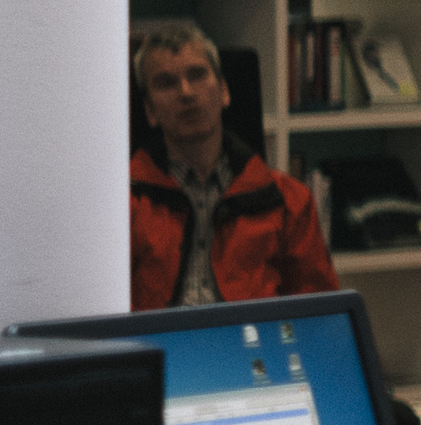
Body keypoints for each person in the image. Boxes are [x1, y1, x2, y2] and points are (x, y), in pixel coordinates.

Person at [131, 23, 338, 311]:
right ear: (150, 111)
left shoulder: (289, 201)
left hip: (254, 350)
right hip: (160, 353)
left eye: (197, 75)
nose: (187, 93)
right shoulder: (122, 205)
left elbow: (320, 316)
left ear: (224, 91)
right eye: (167, 83)